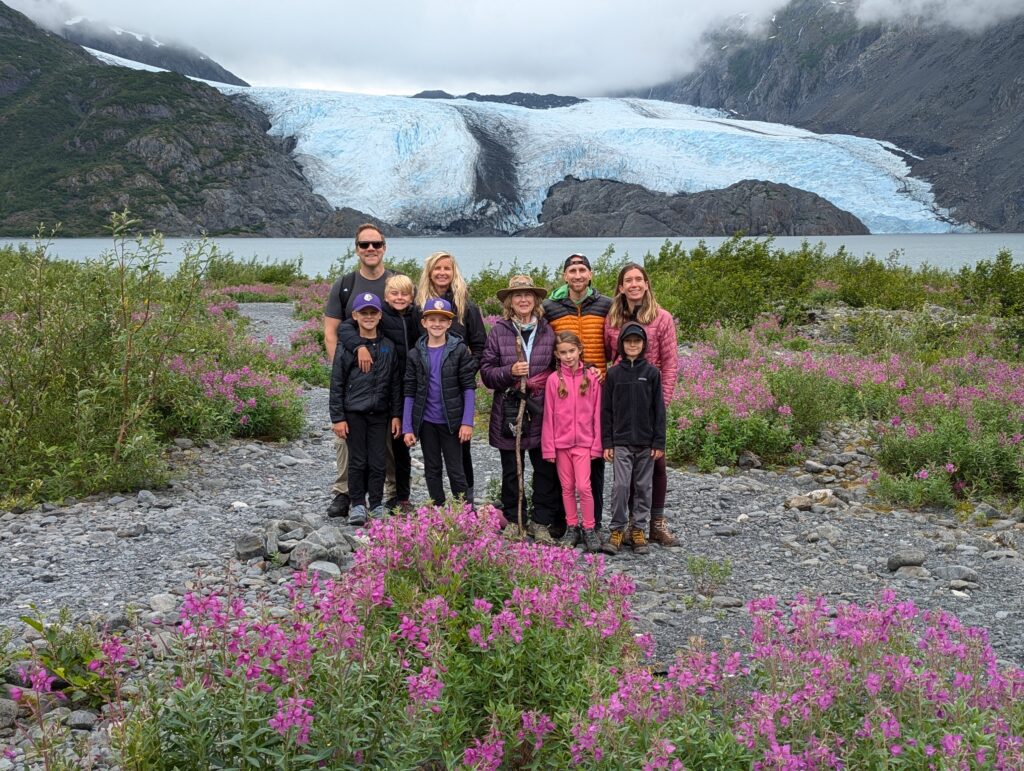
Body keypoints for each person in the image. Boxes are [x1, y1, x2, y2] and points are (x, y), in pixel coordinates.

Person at [323, 223, 397, 519]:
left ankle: (387, 496)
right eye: (364, 245)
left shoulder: (395, 282)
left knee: (384, 447)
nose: (370, 249)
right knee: (347, 444)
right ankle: (346, 494)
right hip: (355, 385)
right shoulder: (345, 284)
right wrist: (349, 360)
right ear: (356, 249)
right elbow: (333, 331)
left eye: (376, 244)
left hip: (385, 376)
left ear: (384, 247)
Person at [604, 262, 680, 547]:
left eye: (639, 279)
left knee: (654, 463)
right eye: (628, 280)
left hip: (651, 395)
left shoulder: (662, 318)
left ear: (646, 284)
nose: (634, 284)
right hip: (623, 397)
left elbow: (671, 363)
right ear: (621, 287)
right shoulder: (612, 319)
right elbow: (609, 356)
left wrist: (663, 401)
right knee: (625, 472)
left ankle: (655, 523)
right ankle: (626, 525)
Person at [479, 275, 559, 543]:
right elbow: (487, 374)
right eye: (517, 296)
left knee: (544, 469)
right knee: (512, 470)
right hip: (509, 410)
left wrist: (543, 380)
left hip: (541, 410)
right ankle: (514, 520)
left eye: (528, 295)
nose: (523, 299)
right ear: (509, 303)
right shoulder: (499, 331)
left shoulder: (548, 330)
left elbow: (558, 369)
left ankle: (541, 521)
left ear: (536, 299)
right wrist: (509, 372)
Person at [336, 274, 421, 511]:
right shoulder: (377, 315)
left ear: (412, 297)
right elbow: (345, 328)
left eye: (404, 294)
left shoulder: (417, 315)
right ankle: (356, 501)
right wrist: (359, 346)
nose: (399, 298)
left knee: (396, 448)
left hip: (403, 389)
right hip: (369, 396)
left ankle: (397, 497)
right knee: (360, 456)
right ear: (386, 297)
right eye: (394, 293)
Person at [542, 253, 612, 531]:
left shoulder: (606, 304)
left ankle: (592, 525)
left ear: (590, 274)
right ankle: (567, 523)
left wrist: (608, 372)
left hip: (598, 384)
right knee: (566, 476)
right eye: (572, 270)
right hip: (563, 385)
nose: (578, 275)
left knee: (593, 470)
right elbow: (546, 344)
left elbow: (614, 342)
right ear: (564, 276)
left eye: (582, 270)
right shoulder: (551, 307)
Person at [417, 251, 487, 505]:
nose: (442, 273)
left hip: (457, 391)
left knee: (461, 450)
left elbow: (480, 344)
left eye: (447, 268)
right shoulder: (420, 305)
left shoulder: (466, 305)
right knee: (433, 457)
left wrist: (468, 371)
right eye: (437, 268)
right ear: (429, 272)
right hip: (431, 394)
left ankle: (465, 499)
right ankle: (437, 503)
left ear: (454, 271)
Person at [329, 293, 402, 525]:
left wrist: (396, 414)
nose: (369, 317)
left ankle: (377, 503)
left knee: (378, 460)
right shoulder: (346, 348)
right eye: (364, 313)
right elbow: (337, 383)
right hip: (354, 413)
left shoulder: (388, 348)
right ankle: (358, 504)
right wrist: (338, 418)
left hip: (380, 413)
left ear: (380, 315)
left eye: (373, 313)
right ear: (355, 316)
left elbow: (395, 385)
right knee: (358, 460)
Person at [403, 298, 478, 507]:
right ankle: (437, 510)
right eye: (432, 319)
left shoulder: (459, 350)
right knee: (432, 468)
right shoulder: (415, 354)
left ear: (449, 323)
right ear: (423, 322)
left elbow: (468, 387)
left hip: (452, 422)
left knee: (456, 468)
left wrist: (467, 422)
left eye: (442, 320)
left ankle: (464, 512)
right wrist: (408, 427)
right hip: (427, 422)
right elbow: (409, 391)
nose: (437, 324)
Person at [600, 323, 666, 556]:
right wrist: (607, 442)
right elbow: (606, 411)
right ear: (621, 344)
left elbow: (659, 411)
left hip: (646, 443)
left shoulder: (652, 373)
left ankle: (637, 529)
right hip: (621, 442)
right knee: (620, 486)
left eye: (637, 341)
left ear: (644, 344)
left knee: (643, 487)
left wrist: (659, 443)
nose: (633, 345)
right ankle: (617, 530)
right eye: (628, 341)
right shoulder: (613, 374)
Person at [541, 331, 603, 553]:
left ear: (580, 350)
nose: (568, 356)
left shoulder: (592, 378)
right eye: (563, 353)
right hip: (561, 444)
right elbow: (548, 415)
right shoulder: (553, 380)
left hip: (584, 444)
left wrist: (597, 444)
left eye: (571, 351)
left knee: (584, 487)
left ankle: (589, 528)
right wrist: (548, 447)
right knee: (566, 487)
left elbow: (597, 414)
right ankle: (572, 526)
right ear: (557, 354)